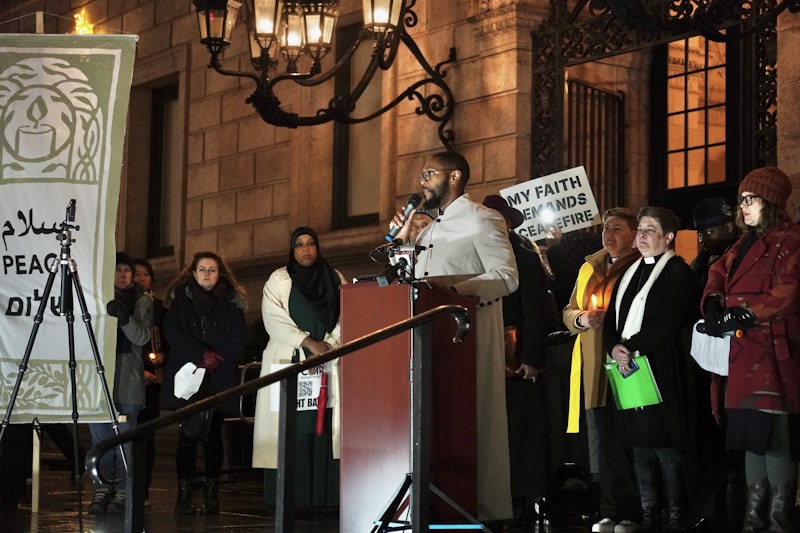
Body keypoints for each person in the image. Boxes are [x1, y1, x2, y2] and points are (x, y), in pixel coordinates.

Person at [391, 151, 519, 524]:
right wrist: (403, 237)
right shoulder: (428, 227)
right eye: (422, 175)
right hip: (432, 338)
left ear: (454, 177)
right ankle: (436, 504)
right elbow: (407, 279)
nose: (422, 182)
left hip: (469, 335)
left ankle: (483, 508)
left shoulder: (483, 218)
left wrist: (453, 289)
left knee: (472, 421)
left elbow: (507, 276)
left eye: (429, 174)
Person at [701, 167, 800, 533]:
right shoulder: (742, 244)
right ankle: (753, 521)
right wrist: (712, 300)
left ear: (770, 202)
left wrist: (743, 312)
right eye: (741, 199)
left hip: (772, 355)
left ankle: (780, 522)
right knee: (750, 441)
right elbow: (717, 273)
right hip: (743, 357)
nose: (742, 206)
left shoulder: (792, 239)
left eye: (750, 199)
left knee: (773, 440)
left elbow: (788, 293)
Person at [603, 207, 704, 533]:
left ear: (668, 237)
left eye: (649, 230)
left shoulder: (678, 272)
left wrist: (631, 347)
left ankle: (674, 516)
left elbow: (668, 321)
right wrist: (614, 347)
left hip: (661, 366)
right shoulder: (629, 273)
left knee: (663, 438)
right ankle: (648, 515)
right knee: (637, 439)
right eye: (641, 230)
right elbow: (611, 320)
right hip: (627, 366)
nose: (641, 236)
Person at [252, 227, 346, 509]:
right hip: (291, 362)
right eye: (299, 245)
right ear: (292, 250)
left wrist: (329, 344)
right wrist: (306, 341)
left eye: (311, 244)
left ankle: (326, 496)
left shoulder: (335, 278)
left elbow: (347, 313)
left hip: (328, 362)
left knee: (325, 426)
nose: (306, 250)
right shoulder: (279, 279)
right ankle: (290, 497)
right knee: (290, 427)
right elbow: (273, 318)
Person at [562, 207, 641, 533]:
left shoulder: (638, 265)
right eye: (606, 228)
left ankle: (635, 511)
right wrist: (582, 319)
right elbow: (569, 309)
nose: (609, 234)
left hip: (625, 361)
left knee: (630, 438)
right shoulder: (588, 266)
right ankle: (609, 508)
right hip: (593, 364)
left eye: (618, 229)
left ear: (634, 235)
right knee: (603, 441)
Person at [160, 251, 247, 515]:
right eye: (202, 269)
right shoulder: (180, 301)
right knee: (186, 437)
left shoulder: (232, 303)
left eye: (212, 269)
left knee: (212, 438)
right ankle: (184, 494)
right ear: (193, 273)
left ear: (220, 273)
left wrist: (217, 358)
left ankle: (211, 493)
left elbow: (238, 338)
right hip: (189, 376)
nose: (207, 274)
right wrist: (201, 355)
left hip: (218, 378)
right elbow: (173, 333)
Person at [482, 194, 549, 526]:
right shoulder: (477, 252)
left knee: (519, 428)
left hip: (515, 355)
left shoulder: (523, 255)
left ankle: (521, 498)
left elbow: (536, 308)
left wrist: (531, 357)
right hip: (485, 353)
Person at [689, 197, 745, 531]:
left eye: (710, 230)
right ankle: (714, 511)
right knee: (711, 444)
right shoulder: (700, 263)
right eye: (701, 232)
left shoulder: (736, 257)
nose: (704, 238)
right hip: (706, 364)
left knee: (734, 445)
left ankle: (735, 512)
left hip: (733, 363)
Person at [88, 252, 152, 514]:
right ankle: (102, 489)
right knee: (101, 439)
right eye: (118, 270)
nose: (124, 274)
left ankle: (124, 491)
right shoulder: (97, 299)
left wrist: (125, 318)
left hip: (127, 380)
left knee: (125, 440)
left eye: (127, 269)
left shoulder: (142, 301)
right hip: (99, 378)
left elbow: (141, 337)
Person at [133, 258, 167, 507]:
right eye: (137, 274)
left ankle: (142, 489)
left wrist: (164, 357)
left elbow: (168, 336)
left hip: (154, 379)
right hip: (132, 378)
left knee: (148, 438)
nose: (142, 278)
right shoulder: (128, 304)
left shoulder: (160, 308)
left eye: (146, 274)